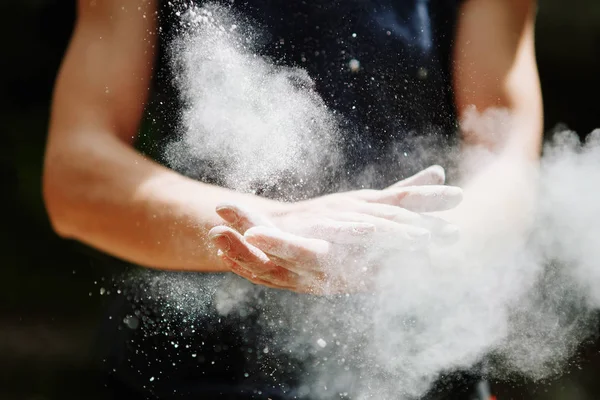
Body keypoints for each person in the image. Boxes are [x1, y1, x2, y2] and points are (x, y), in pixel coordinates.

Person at [43, 0, 543, 398]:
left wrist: (417, 252)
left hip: (425, 360)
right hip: (197, 368)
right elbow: (76, 174)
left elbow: (509, 164)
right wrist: (276, 226)